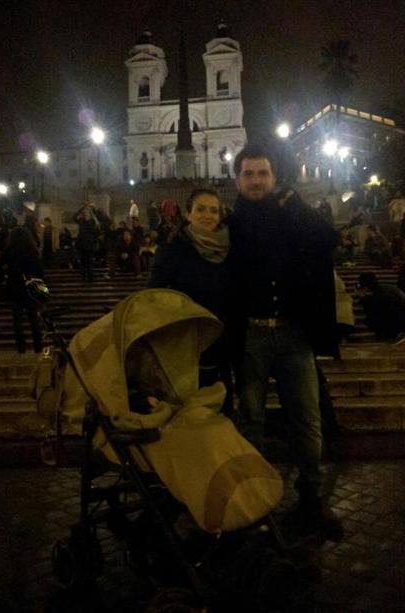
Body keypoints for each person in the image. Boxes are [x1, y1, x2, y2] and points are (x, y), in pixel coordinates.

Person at [228, 144, 342, 541]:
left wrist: (295, 203)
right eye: (248, 174)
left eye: (262, 174)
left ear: (274, 178)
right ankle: (254, 501)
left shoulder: (291, 214)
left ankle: (310, 496)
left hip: (293, 333)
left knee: (307, 419)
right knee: (251, 422)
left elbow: (329, 237)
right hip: (250, 336)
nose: (256, 181)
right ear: (237, 179)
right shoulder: (230, 222)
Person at [148, 188, 234, 415]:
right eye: (201, 209)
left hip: (222, 342)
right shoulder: (173, 248)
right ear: (188, 214)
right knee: (187, 417)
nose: (208, 215)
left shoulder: (230, 248)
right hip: (185, 345)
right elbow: (153, 294)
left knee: (221, 413)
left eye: (214, 211)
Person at [0, 227, 44, 353]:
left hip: (14, 287)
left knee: (17, 320)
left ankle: (21, 348)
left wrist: (4, 276)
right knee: (34, 320)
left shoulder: (10, 251)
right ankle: (38, 347)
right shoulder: (32, 251)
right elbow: (40, 272)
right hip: (30, 288)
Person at [357, 272, 405, 343]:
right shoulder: (385, 289)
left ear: (365, 286)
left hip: (402, 323)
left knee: (371, 318)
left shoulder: (380, 295)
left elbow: (374, 310)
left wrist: (362, 298)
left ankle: (392, 334)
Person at [73, 203, 100, 282]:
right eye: (85, 211)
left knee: (89, 262)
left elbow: (96, 233)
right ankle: (83, 277)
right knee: (82, 262)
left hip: (90, 244)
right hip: (81, 244)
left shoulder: (93, 221)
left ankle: (90, 277)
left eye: (87, 211)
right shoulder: (81, 220)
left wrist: (94, 242)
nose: (85, 212)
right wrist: (81, 208)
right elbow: (74, 217)